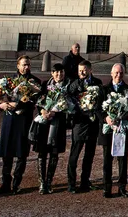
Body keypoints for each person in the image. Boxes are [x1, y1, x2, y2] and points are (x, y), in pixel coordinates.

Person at [0, 55, 42, 195]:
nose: (26, 67)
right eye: (24, 64)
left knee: (21, 153)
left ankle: (16, 184)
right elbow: (1, 98)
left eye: (28, 65)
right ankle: (5, 184)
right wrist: (1, 105)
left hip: (23, 120)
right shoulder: (8, 81)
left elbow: (33, 103)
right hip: (9, 120)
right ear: (18, 66)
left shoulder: (35, 82)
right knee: (7, 152)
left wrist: (19, 104)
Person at [32, 63, 70, 194]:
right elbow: (38, 98)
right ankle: (42, 182)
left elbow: (68, 104)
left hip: (58, 122)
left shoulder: (68, 86)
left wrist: (56, 111)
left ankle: (49, 181)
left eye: (61, 72)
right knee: (42, 152)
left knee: (54, 152)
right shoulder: (44, 85)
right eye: (56, 72)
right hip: (44, 121)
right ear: (52, 73)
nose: (59, 75)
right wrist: (43, 110)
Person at [66, 60, 102, 194]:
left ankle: (85, 181)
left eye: (85, 69)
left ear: (90, 70)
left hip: (92, 123)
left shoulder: (97, 83)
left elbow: (101, 100)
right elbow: (69, 98)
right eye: (80, 70)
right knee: (74, 155)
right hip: (79, 123)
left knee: (89, 155)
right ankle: (71, 183)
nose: (82, 72)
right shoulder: (74, 84)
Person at [100, 63, 128, 198]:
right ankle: (107, 187)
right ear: (111, 73)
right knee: (107, 160)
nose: (118, 75)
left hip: (122, 129)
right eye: (116, 73)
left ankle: (122, 187)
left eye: (121, 73)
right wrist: (106, 118)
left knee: (122, 159)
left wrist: (122, 117)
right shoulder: (103, 89)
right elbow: (98, 109)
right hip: (108, 129)